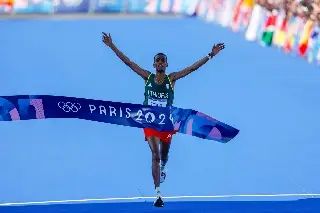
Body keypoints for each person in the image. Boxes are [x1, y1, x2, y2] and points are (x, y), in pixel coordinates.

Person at [102, 32, 225, 207]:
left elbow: (191, 69)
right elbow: (128, 63)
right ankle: (158, 194)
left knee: (164, 155)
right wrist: (112, 46)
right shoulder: (147, 77)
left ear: (166, 64)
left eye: (163, 60)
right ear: (154, 64)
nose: (160, 62)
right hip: (149, 120)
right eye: (157, 60)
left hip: (167, 122)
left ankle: (163, 167)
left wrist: (210, 55)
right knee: (155, 154)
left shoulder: (171, 78)